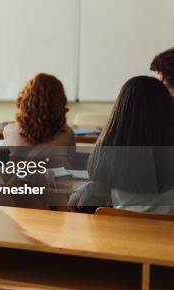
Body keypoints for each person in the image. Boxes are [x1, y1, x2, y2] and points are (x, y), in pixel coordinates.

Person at [69, 76, 174, 213]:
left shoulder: (111, 148)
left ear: (121, 110)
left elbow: (103, 180)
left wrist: (85, 189)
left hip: (122, 228)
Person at [4, 73, 75, 167]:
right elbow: (72, 159)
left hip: (20, 181)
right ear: (59, 102)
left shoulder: (9, 131)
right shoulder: (67, 133)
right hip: (58, 181)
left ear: (26, 100)